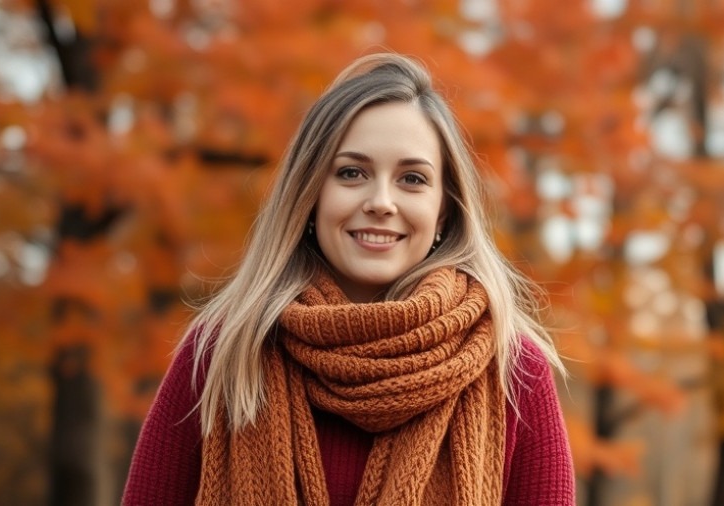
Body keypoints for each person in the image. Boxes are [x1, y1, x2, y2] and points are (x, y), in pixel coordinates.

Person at [122, 52, 575, 506]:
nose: (381, 201)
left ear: (445, 209)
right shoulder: (223, 353)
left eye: (412, 179)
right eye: (351, 172)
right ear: (310, 194)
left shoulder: (514, 371)